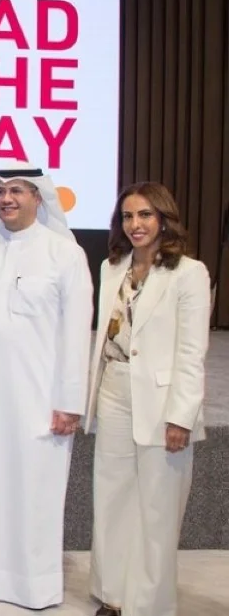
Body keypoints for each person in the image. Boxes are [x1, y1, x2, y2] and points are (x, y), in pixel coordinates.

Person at [0, 163, 93, 609]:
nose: (7, 198)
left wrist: (69, 401)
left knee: (35, 492)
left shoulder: (64, 254)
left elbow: (75, 332)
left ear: (38, 197)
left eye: (18, 191)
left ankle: (32, 587)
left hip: (41, 402)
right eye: (1, 190)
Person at [86, 182, 210, 616]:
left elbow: (193, 354)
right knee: (112, 498)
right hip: (113, 392)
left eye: (144, 215)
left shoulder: (189, 273)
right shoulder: (111, 266)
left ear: (163, 219)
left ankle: (150, 605)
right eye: (127, 216)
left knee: (157, 510)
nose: (135, 225)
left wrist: (181, 416)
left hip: (162, 402)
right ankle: (114, 596)